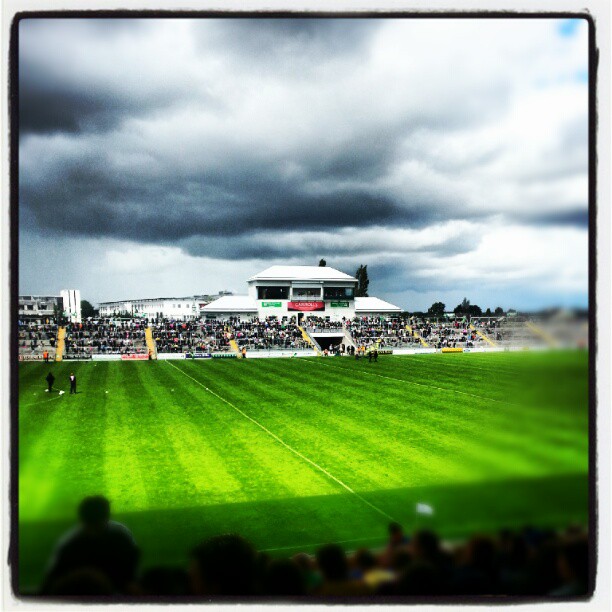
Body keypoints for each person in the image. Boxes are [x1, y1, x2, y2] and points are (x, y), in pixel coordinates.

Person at [42, 495, 139, 594]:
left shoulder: (69, 543)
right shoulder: (121, 536)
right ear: (107, 515)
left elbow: (50, 584)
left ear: (82, 518)